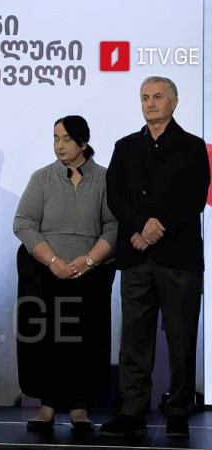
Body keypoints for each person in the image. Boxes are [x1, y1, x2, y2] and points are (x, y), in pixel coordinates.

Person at [101, 76, 210, 438]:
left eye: (158, 97)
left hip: (179, 258)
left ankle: (178, 411)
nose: (150, 103)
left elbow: (194, 197)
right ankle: (132, 410)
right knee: (135, 338)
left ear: (173, 103)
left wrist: (156, 228)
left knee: (181, 338)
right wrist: (140, 226)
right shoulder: (125, 146)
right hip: (135, 256)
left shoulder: (192, 147)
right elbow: (115, 195)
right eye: (145, 97)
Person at [13, 115, 117, 433]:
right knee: (45, 340)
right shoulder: (42, 178)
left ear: (83, 143)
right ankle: (46, 407)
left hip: (90, 275)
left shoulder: (104, 178)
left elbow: (114, 225)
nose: (59, 145)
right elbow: (23, 222)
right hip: (45, 272)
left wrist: (89, 260)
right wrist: (53, 260)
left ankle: (79, 408)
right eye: (55, 138)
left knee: (85, 342)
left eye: (66, 139)